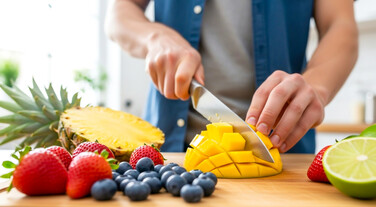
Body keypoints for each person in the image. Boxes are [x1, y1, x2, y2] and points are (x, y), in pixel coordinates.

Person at [105, 0, 358, 153]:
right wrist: (154, 37)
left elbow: (340, 25)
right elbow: (118, 12)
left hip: (282, 151)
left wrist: (316, 87)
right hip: (171, 150)